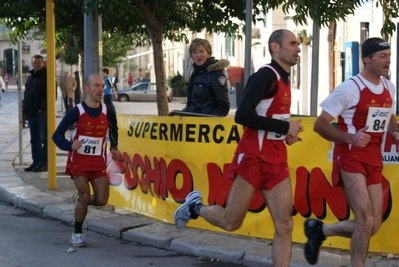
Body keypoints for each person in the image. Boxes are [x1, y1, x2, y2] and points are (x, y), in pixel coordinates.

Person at [174, 30, 303, 266]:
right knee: (232, 222)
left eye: (298, 44)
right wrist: (284, 128)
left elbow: (270, 117)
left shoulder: (286, 78)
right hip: (252, 158)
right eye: (292, 44)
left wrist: (283, 134)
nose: (298, 48)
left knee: (285, 225)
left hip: (276, 159)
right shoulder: (265, 76)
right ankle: (195, 207)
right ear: (275, 47)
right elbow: (242, 115)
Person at [307, 37, 399, 266]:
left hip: (373, 158)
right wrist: (350, 137)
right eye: (382, 56)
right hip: (350, 157)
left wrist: (396, 133)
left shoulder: (390, 87)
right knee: (366, 219)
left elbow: (388, 119)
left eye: (388, 54)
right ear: (367, 60)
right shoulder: (349, 88)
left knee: (373, 225)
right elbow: (320, 124)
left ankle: (321, 230)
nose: (388, 60)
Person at [52, 74, 120, 247]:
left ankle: (80, 201)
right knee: (84, 196)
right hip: (79, 164)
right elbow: (56, 135)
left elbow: (114, 131)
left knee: (102, 200)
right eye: (96, 86)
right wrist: (70, 145)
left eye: (102, 87)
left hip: (97, 164)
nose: (100, 89)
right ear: (87, 89)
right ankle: (77, 233)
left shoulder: (108, 112)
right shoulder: (76, 112)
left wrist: (114, 146)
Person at [182, 38, 230, 117]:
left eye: (201, 51)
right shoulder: (196, 73)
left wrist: (208, 123)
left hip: (205, 126)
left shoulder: (216, 74)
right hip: (192, 123)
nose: (198, 55)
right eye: (194, 52)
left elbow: (223, 107)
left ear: (208, 53)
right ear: (191, 56)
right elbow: (193, 104)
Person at [22, 55, 48, 172]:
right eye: (34, 63)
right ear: (32, 64)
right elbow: (27, 93)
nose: (36, 64)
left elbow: (48, 94)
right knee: (34, 140)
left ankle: (43, 163)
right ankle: (36, 162)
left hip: (40, 113)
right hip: (31, 112)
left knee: (44, 140)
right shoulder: (31, 76)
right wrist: (25, 109)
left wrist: (41, 109)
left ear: (42, 63)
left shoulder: (47, 75)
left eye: (38, 62)